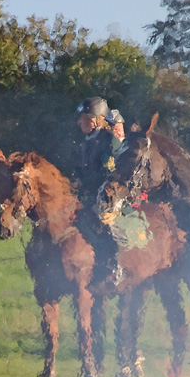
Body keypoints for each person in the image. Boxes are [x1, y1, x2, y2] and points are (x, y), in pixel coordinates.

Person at [75, 96, 124, 285]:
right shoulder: (84, 143)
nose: (80, 122)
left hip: (109, 195)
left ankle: (115, 264)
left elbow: (120, 169)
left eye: (85, 118)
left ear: (96, 120)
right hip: (88, 194)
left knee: (106, 225)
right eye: (81, 118)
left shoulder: (110, 140)